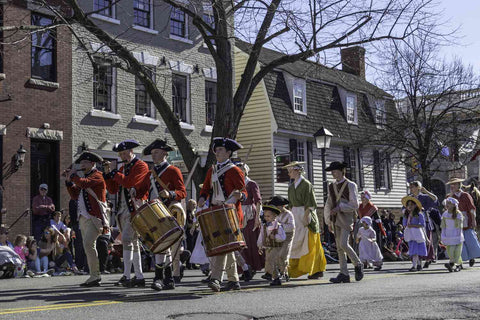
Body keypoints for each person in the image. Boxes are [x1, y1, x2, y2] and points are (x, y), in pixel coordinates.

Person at [197, 137, 247, 292]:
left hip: (230, 213)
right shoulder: (212, 170)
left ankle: (216, 279)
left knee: (223, 245)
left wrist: (241, 195)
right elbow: (206, 188)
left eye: (220, 150)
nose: (217, 152)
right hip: (215, 211)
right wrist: (202, 197)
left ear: (228, 152)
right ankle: (234, 280)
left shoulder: (235, 170)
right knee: (227, 246)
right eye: (216, 150)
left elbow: (244, 192)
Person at [137, 139, 187, 291]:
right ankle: (169, 278)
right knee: (163, 246)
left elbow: (182, 192)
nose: (153, 155)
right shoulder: (150, 173)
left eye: (156, 152)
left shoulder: (173, 171)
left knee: (161, 246)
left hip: (167, 211)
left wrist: (170, 193)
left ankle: (158, 278)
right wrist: (135, 191)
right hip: (153, 212)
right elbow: (143, 190)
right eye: (152, 153)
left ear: (165, 153)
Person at [104, 139, 150, 287]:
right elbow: (112, 190)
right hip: (123, 209)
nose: (123, 156)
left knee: (126, 239)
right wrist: (107, 174)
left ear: (131, 151)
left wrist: (114, 173)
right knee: (133, 242)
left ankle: (126, 275)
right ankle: (139, 276)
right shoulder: (123, 168)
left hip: (135, 208)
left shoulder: (141, 165)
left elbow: (130, 183)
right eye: (121, 154)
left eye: (125, 153)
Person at [64, 151, 107, 286]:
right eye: (81, 163)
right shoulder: (85, 177)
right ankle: (94, 275)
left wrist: (73, 175)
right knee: (88, 246)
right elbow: (75, 195)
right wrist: (68, 181)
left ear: (92, 163)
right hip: (83, 217)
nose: (82, 165)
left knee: (88, 244)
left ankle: (95, 275)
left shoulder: (97, 175)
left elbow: (84, 184)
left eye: (84, 163)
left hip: (95, 217)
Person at [283, 161, 326, 280]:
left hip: (305, 214)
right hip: (295, 215)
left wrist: (306, 216)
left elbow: (311, 203)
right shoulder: (291, 187)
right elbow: (290, 204)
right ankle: (293, 270)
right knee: (297, 242)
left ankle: (315, 269)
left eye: (290, 171)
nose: (289, 174)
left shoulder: (306, 184)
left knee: (309, 243)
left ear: (297, 170)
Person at [324, 161, 363, 283]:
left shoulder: (351, 185)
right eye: (332, 171)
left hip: (346, 218)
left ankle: (357, 264)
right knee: (339, 247)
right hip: (335, 219)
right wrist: (328, 221)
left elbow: (355, 204)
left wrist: (340, 207)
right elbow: (329, 204)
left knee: (343, 244)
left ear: (342, 171)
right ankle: (343, 273)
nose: (333, 173)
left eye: (335, 171)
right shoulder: (331, 186)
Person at [234, 161, 263, 281]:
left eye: (242, 169)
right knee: (241, 242)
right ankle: (245, 267)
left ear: (246, 170)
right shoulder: (237, 184)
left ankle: (253, 266)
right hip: (239, 213)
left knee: (251, 241)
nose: (240, 171)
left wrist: (257, 218)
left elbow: (258, 200)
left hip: (250, 213)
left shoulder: (251, 184)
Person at [446, 177, 480, 267]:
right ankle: (459, 260)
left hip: (466, 219)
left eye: (455, 184)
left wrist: (473, 220)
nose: (452, 186)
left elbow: (471, 209)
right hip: (456, 221)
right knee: (458, 242)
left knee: (469, 240)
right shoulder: (450, 197)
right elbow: (447, 209)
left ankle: (472, 256)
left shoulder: (466, 195)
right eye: (451, 185)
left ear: (459, 185)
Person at [408, 181, 440, 268]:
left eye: (412, 187)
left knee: (426, 240)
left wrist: (426, 191)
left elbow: (435, 200)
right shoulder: (410, 198)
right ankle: (418, 261)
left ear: (418, 187)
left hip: (424, 221)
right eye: (410, 187)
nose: (411, 189)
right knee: (415, 241)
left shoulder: (424, 197)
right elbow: (405, 208)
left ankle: (428, 258)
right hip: (413, 222)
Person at [257, 205, 286, 286]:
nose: (267, 218)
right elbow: (261, 236)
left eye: (269, 216)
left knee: (270, 260)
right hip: (268, 246)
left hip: (276, 246)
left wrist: (275, 237)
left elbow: (283, 237)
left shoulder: (278, 226)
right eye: (265, 216)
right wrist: (260, 246)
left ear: (275, 216)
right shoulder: (264, 226)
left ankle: (268, 274)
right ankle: (276, 278)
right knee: (269, 261)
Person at [268, 195, 295, 281]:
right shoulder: (275, 214)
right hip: (278, 236)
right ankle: (280, 274)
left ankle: (283, 272)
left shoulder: (289, 214)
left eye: (277, 206)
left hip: (287, 236)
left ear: (282, 206)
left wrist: (280, 226)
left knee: (282, 254)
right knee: (275, 255)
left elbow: (291, 227)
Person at [402, 196, 427, 272]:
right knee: (413, 249)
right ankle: (418, 264)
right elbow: (404, 223)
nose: (409, 206)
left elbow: (422, 224)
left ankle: (414, 265)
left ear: (415, 205)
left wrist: (413, 225)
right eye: (408, 205)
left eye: (411, 205)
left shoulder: (419, 214)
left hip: (417, 233)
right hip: (410, 233)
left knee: (416, 250)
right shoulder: (406, 215)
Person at [441, 197, 464, 272]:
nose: (447, 205)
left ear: (454, 205)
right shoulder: (445, 214)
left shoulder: (458, 214)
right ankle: (455, 263)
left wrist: (458, 236)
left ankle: (455, 264)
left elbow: (459, 226)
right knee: (450, 251)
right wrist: (443, 235)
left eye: (449, 203)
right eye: (447, 203)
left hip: (456, 235)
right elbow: (443, 226)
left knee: (457, 251)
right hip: (448, 236)